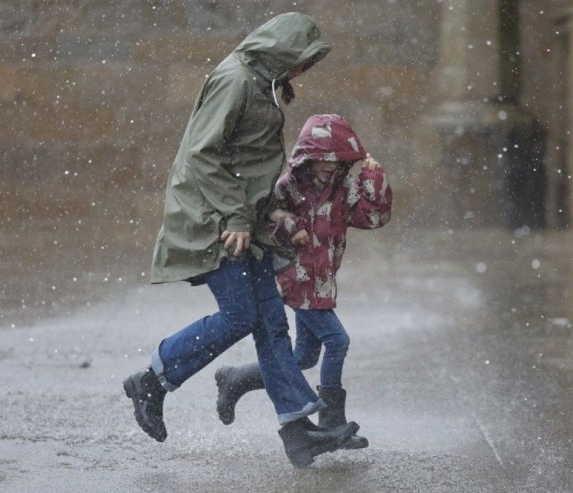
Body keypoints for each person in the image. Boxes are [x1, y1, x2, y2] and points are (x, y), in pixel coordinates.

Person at [123, 14, 359, 467]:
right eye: (299, 63)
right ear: (281, 51)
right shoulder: (235, 79)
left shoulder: (261, 83)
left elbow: (248, 159)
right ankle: (152, 379)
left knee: (271, 324)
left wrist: (268, 210)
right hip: (214, 221)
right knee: (240, 315)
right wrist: (236, 214)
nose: (299, 74)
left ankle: (297, 430)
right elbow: (204, 154)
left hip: (242, 223)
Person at [215, 114, 393, 449]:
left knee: (304, 357)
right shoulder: (289, 185)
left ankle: (235, 378)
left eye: (336, 160)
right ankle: (332, 421)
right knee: (337, 341)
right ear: (308, 157)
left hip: (321, 282)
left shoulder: (342, 190)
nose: (329, 166)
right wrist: (289, 226)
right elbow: (264, 217)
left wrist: (374, 176)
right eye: (323, 159)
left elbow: (373, 217)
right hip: (294, 278)